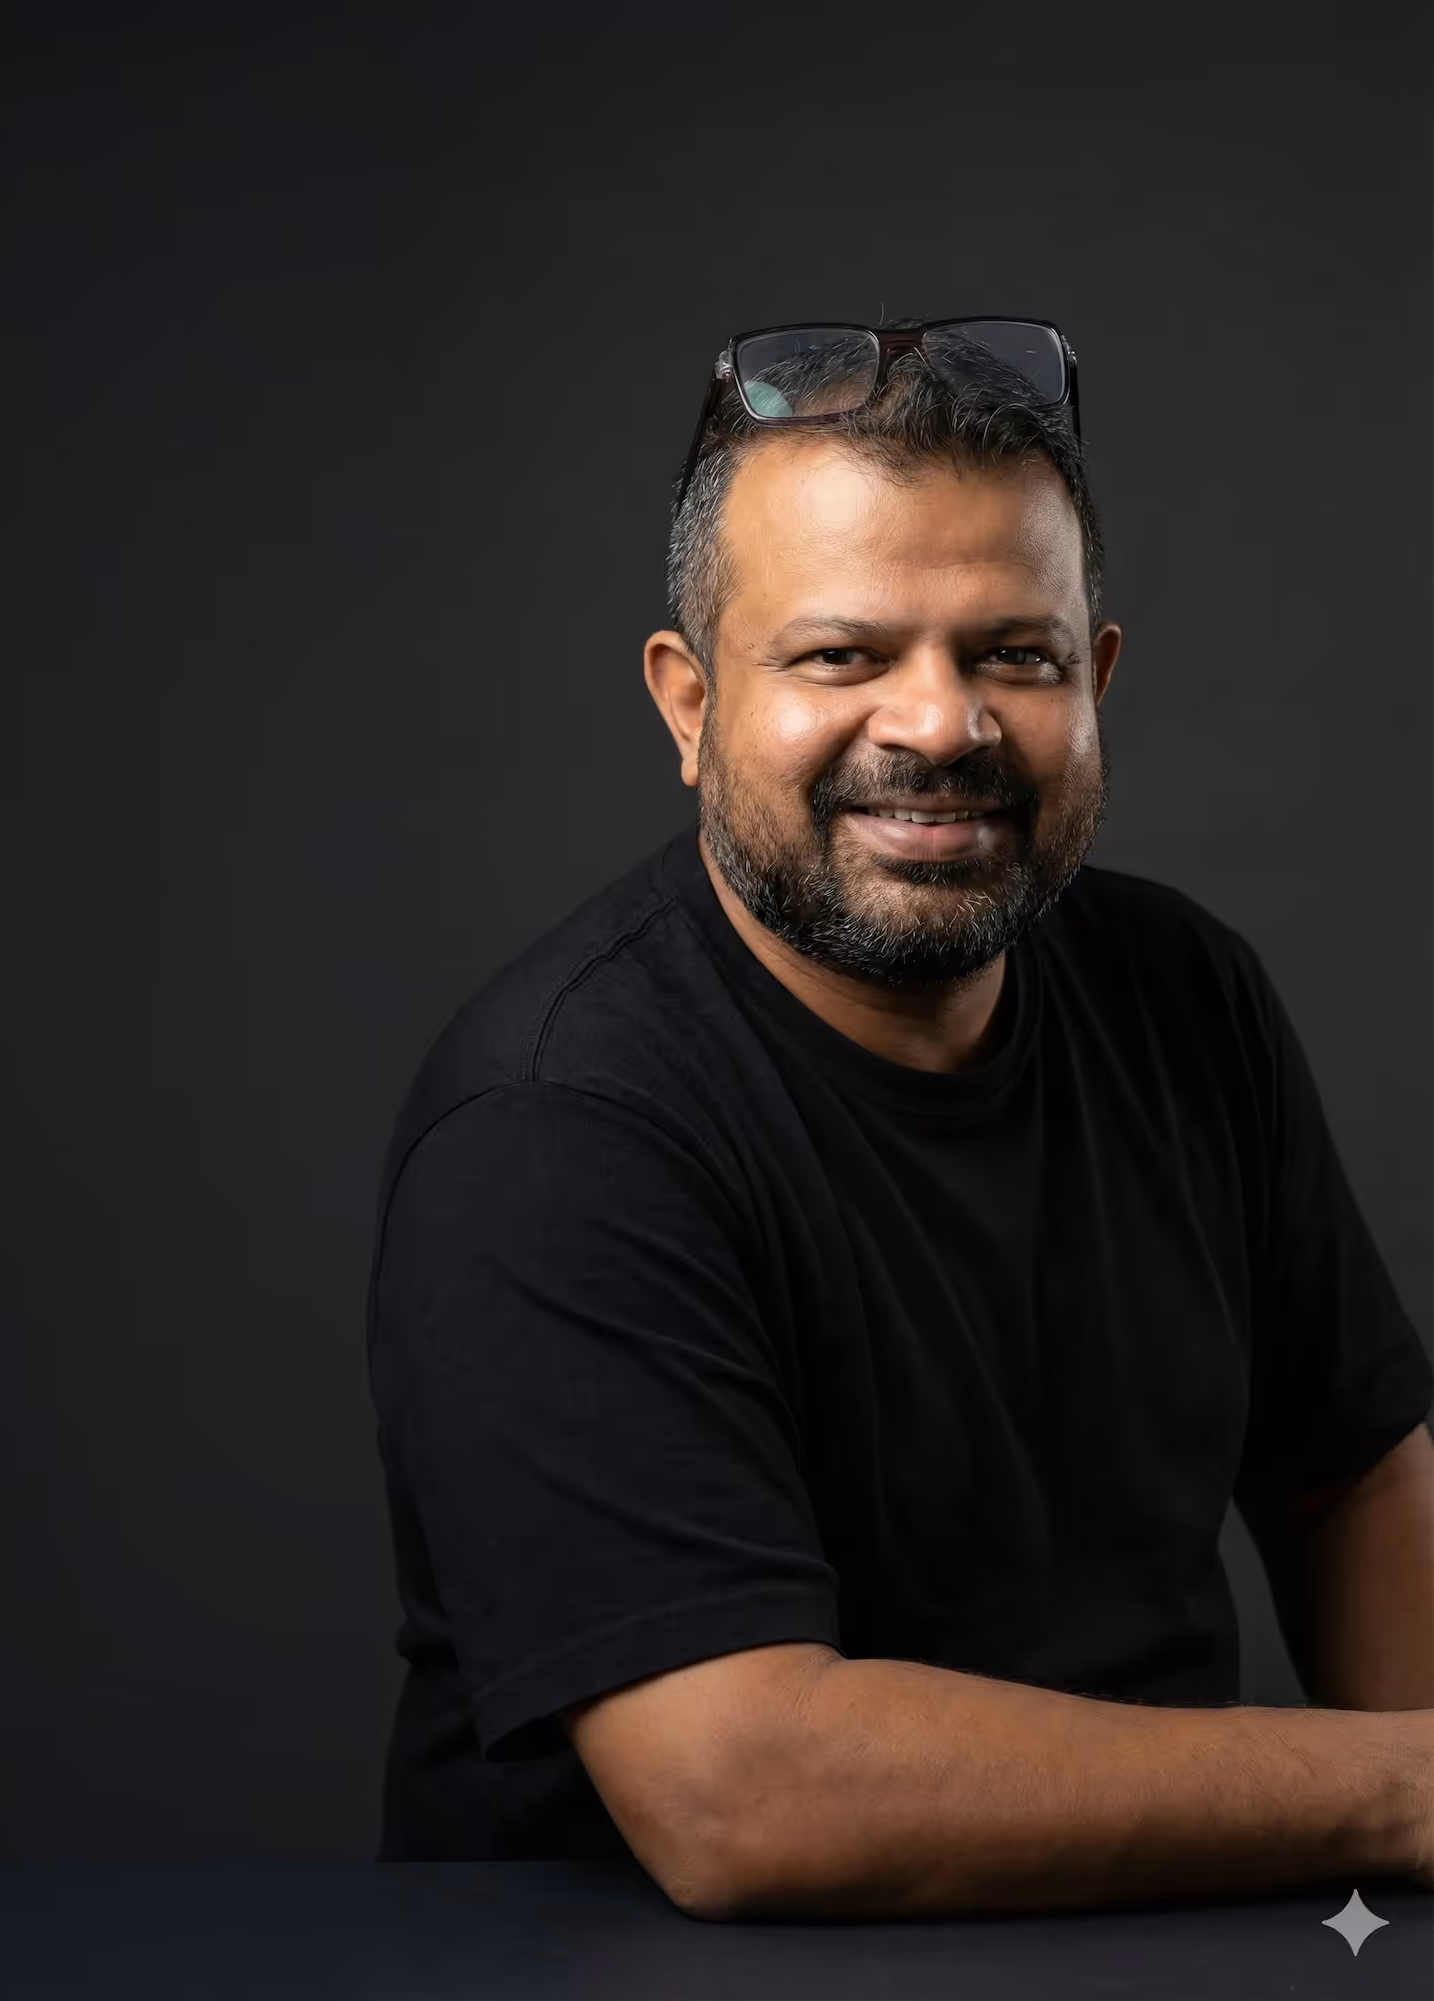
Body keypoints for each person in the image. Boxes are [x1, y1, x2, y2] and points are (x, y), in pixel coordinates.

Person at [362, 318, 1434, 1918]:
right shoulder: (554, 1128)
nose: (938, 726)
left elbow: (1347, 1470)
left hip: (1168, 1938)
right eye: (839, 656)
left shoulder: (1180, 996)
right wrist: (1403, 1793)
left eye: (1014, 652)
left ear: (1098, 677)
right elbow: (745, 1792)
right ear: (686, 702)